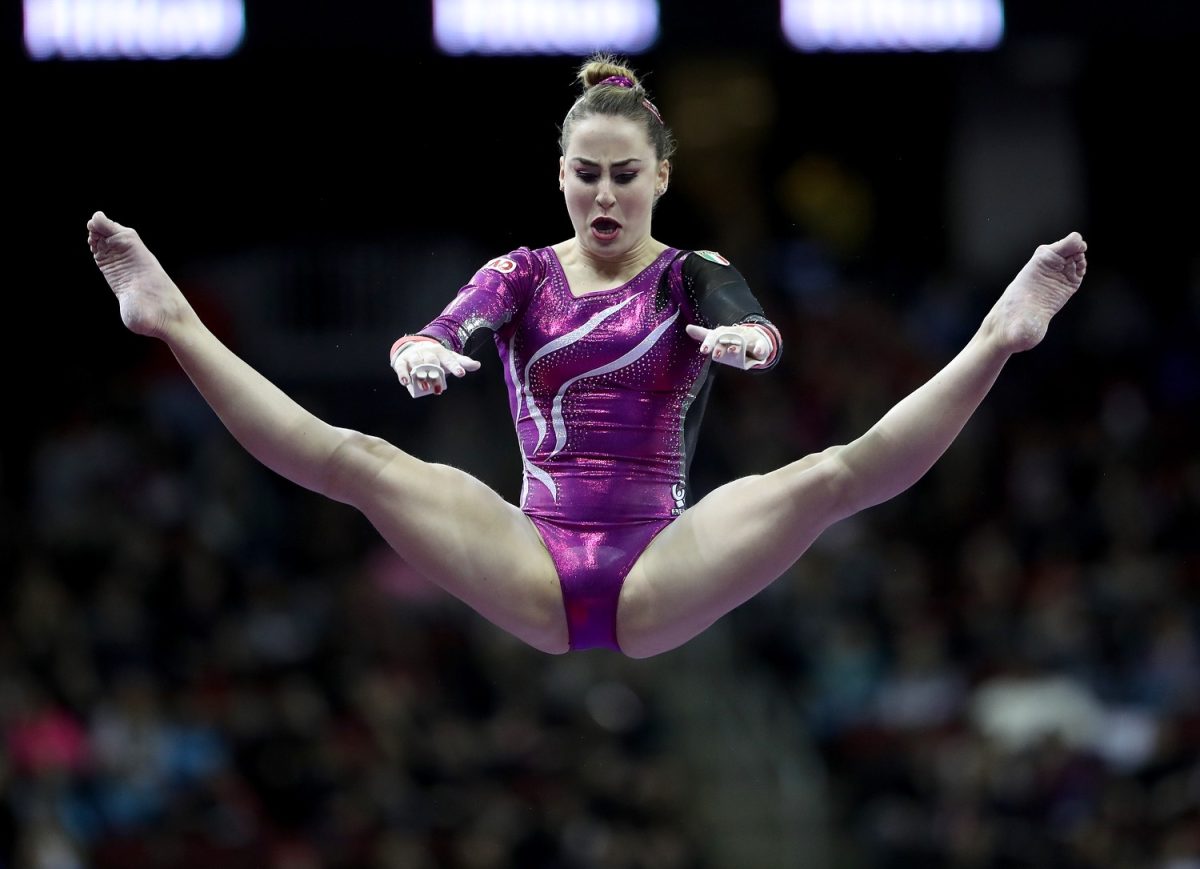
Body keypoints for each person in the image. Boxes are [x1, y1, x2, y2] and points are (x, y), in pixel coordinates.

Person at [87, 54, 1087, 660]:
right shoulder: (522, 272)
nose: (604, 196)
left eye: (625, 175)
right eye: (585, 175)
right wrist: (422, 352)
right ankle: (172, 319)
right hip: (533, 551)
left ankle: (1000, 336)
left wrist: (747, 338)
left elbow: (751, 323)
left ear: (661, 177)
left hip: (661, 560)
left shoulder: (693, 272)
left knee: (830, 477)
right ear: (561, 176)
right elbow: (445, 327)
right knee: (361, 461)